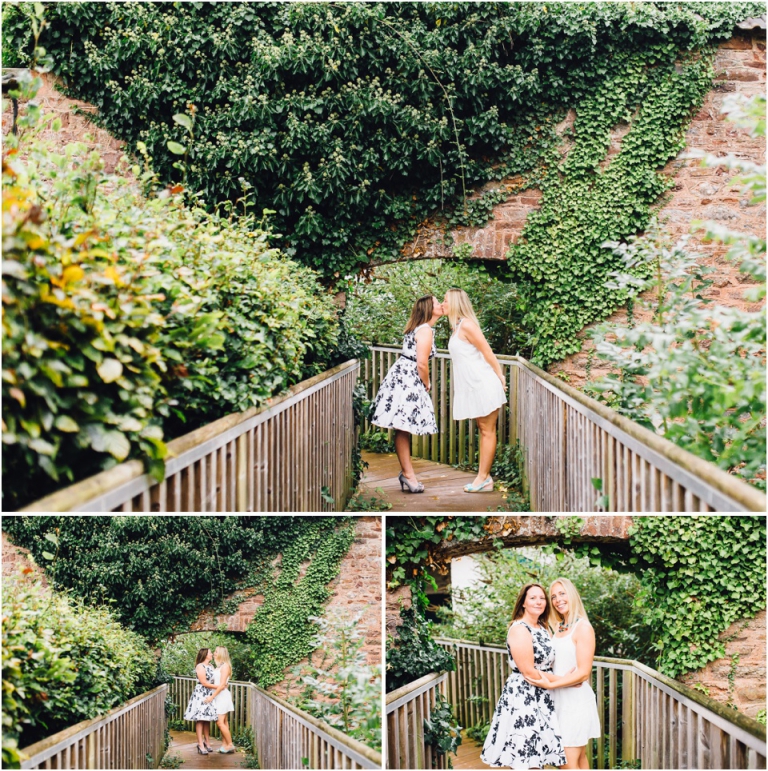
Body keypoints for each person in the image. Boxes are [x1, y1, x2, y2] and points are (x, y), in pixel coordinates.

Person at [481, 583, 566, 770]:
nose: (539, 602)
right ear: (523, 603)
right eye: (533, 598)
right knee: (526, 757)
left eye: (542, 598)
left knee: (539, 755)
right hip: (525, 695)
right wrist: (565, 681)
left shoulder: (543, 627)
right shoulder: (520, 628)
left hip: (544, 695)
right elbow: (528, 671)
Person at [524, 578, 601, 770]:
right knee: (579, 758)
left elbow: (583, 673)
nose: (558, 600)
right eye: (553, 596)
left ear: (572, 595)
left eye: (562, 593)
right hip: (558, 701)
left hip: (575, 702)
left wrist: (551, 684)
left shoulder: (583, 627)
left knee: (565, 763)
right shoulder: (557, 628)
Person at [370, 294, 443, 493]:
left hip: (402, 375)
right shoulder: (426, 330)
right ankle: (408, 475)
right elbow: (421, 362)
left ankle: (407, 474)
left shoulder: (418, 328)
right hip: (410, 378)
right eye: (437, 303)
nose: (440, 305)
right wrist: (426, 383)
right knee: (403, 427)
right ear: (429, 308)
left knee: (402, 427)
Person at [442, 288, 507, 493]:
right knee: (483, 428)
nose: (442, 304)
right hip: (475, 386)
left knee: (487, 431)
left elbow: (486, 350)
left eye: (445, 300)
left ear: (454, 303)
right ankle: (483, 477)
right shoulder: (457, 327)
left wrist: (500, 375)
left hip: (484, 384)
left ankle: (483, 479)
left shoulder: (467, 325)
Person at [183, 648, 219, 755]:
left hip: (209, 693)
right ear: (205, 654)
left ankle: (207, 742)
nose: (212, 654)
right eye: (210, 652)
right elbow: (204, 682)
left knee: (207, 718)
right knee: (200, 719)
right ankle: (200, 744)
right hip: (201, 694)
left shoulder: (211, 666)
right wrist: (219, 687)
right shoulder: (200, 666)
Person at [204, 646, 236, 754]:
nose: (214, 653)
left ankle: (230, 744)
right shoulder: (219, 666)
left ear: (222, 653)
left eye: (216, 652)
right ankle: (224, 745)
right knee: (224, 722)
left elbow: (222, 684)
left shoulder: (225, 666)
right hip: (218, 695)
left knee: (219, 722)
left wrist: (211, 697)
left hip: (222, 696)